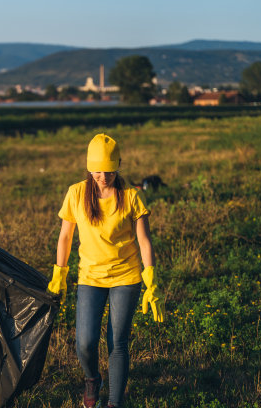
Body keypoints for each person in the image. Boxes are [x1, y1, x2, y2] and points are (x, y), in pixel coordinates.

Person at [48, 134, 166, 408]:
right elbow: (65, 237)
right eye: (97, 170)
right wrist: (60, 273)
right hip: (90, 277)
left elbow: (144, 241)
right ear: (89, 168)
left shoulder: (131, 196)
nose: (103, 176)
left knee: (117, 342)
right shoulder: (76, 193)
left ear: (118, 166)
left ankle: (114, 402)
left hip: (126, 276)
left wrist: (151, 279)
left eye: (109, 170)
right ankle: (92, 378)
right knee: (86, 343)